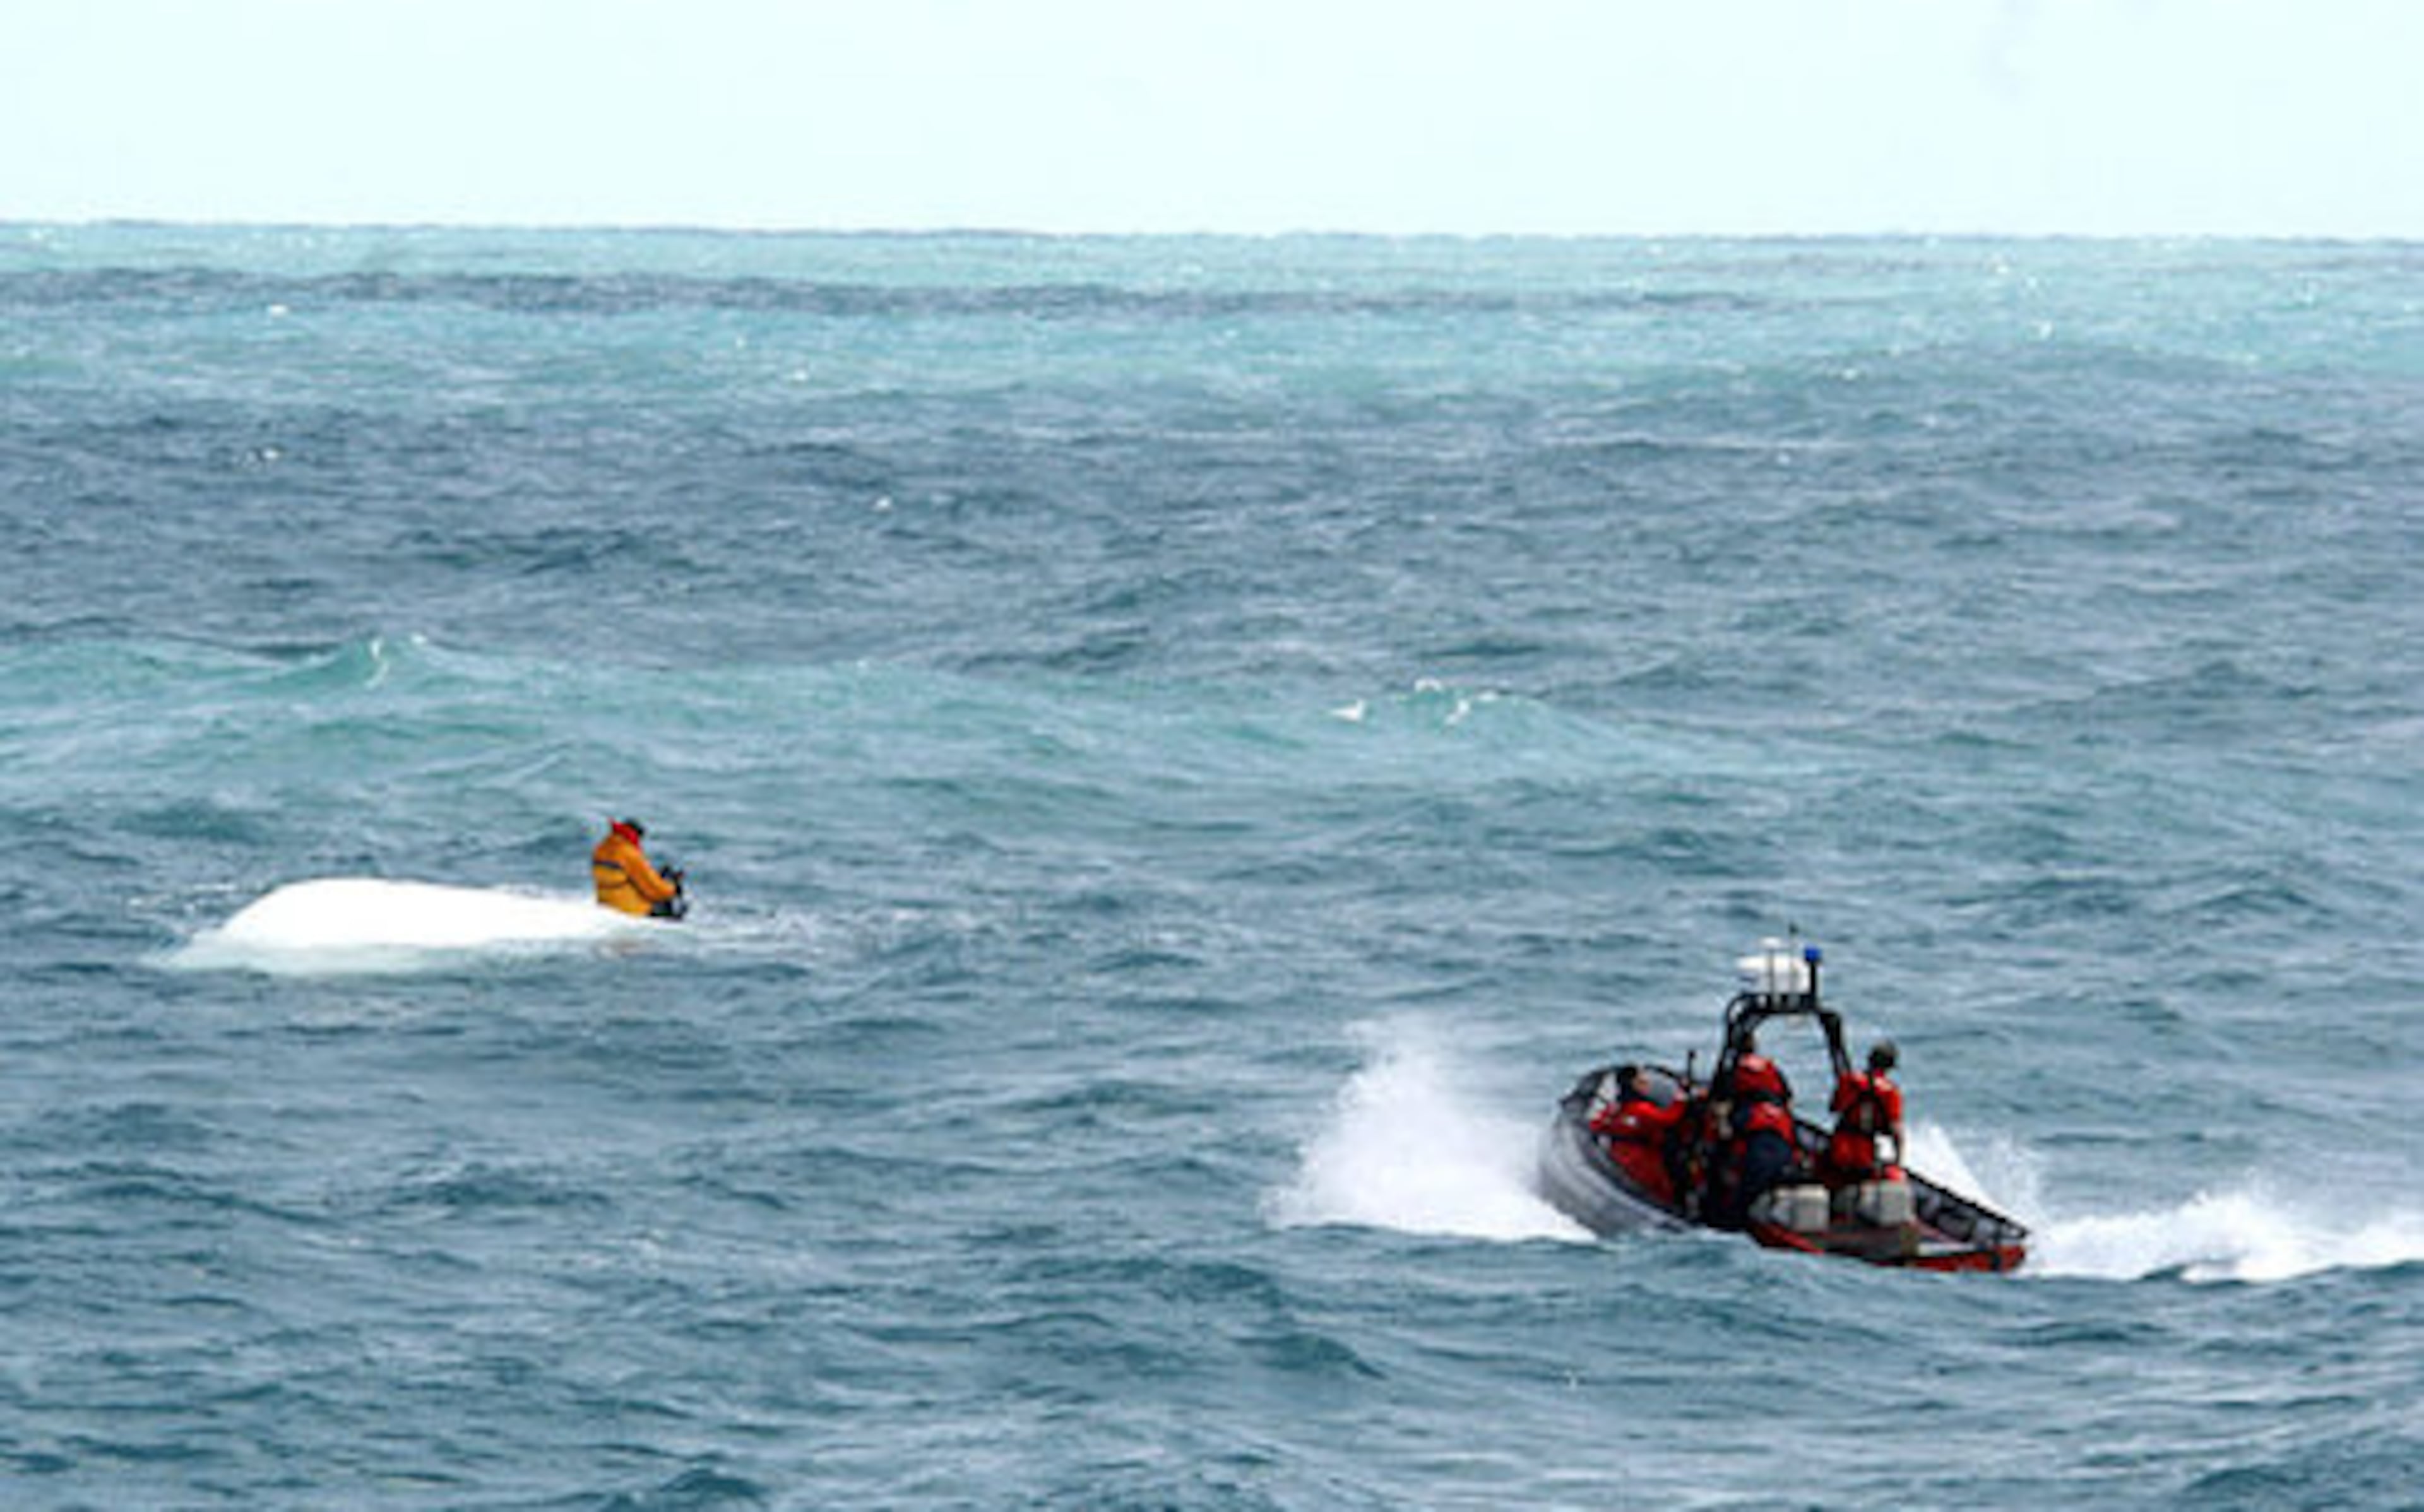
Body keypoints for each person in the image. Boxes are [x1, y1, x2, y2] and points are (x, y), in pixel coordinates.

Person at [1588, 1065, 1689, 1208]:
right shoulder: (1641, 1110)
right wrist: (1681, 1101)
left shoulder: (1616, 1108)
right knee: (1663, 1191)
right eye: (1641, 1082)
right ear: (1632, 1085)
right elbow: (1668, 1119)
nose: (1647, 1084)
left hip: (1620, 1155)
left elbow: (1597, 1125)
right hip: (1642, 1160)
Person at [1825, 1040, 1906, 1185]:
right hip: (1863, 1155)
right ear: (1889, 1067)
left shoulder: (1848, 1080)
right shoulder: (1890, 1092)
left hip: (1838, 1149)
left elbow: (1833, 1108)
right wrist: (1898, 1160)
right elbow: (1896, 1130)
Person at [592, 817, 685, 919]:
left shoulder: (601, 849)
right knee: (668, 880)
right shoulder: (629, 853)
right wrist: (673, 888)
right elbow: (653, 888)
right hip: (629, 909)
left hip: (607, 904)